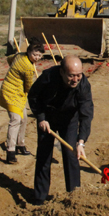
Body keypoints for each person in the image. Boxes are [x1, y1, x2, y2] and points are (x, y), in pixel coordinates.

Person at [28, 55, 93, 204]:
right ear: (62, 72)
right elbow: (34, 96)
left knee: (71, 155)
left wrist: (81, 142)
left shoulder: (83, 85)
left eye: (78, 75)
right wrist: (41, 118)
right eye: (71, 76)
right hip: (48, 118)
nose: (75, 79)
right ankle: (40, 197)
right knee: (44, 156)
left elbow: (86, 114)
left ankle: (74, 195)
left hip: (69, 120)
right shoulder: (48, 77)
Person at [0, 38, 45, 164]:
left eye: (39, 55)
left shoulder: (19, 55)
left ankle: (20, 144)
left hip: (19, 94)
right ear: (29, 52)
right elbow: (29, 87)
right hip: (10, 92)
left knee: (24, 118)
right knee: (15, 120)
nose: (36, 57)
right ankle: (10, 151)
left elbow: (9, 59)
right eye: (34, 54)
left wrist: (15, 72)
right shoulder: (27, 66)